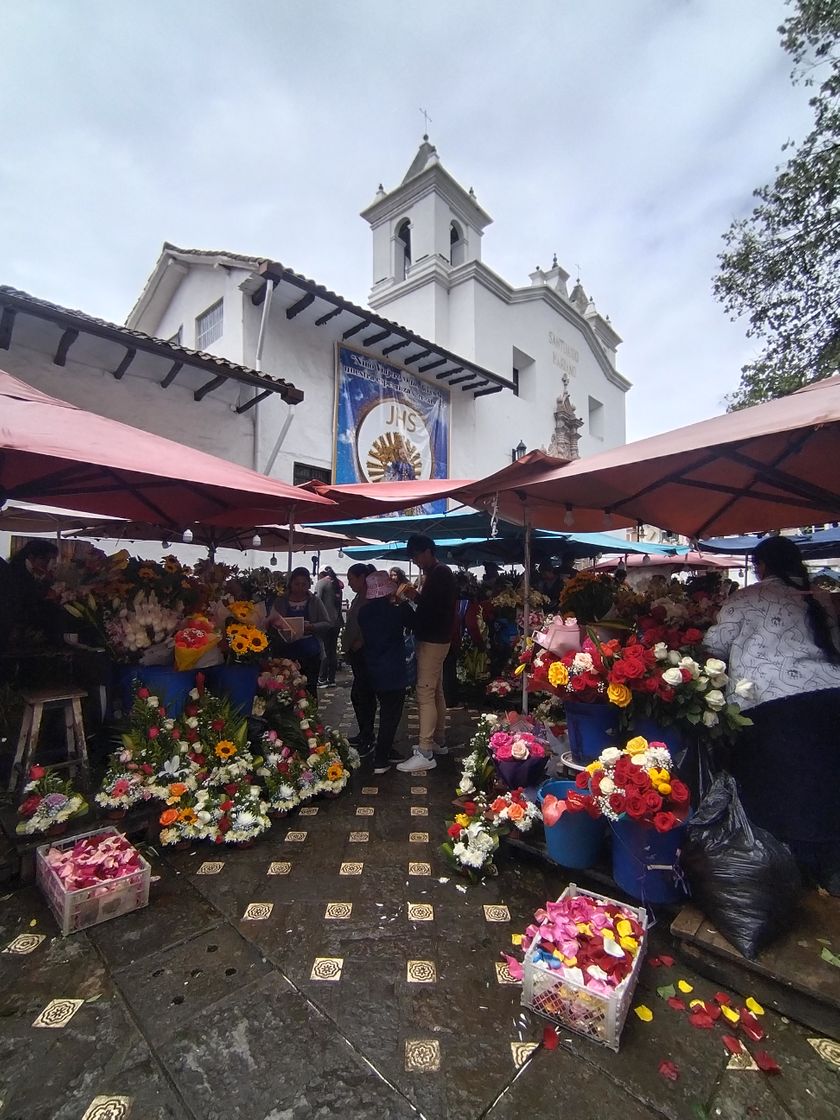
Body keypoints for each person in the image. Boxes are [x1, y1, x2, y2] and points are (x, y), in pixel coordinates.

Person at [704, 535, 840, 890]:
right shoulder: (820, 597)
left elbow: (714, 646)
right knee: (826, 781)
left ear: (761, 566)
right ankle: (828, 867)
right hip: (830, 697)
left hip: (773, 702)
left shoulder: (749, 597)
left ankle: (791, 868)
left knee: (780, 787)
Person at [396, 534, 456, 773]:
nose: (416, 560)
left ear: (429, 551)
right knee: (436, 690)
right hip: (439, 638)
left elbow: (428, 612)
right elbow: (432, 605)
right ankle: (437, 740)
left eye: (417, 555)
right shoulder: (439, 573)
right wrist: (416, 596)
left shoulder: (439, 574)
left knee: (425, 691)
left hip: (432, 639)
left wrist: (404, 604)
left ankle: (425, 751)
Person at [358, 570, 413, 774]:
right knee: (390, 715)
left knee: (378, 710)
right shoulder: (396, 611)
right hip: (393, 669)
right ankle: (381, 758)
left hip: (371, 668)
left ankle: (379, 748)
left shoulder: (363, 613)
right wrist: (403, 601)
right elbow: (414, 622)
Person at [268, 567, 333, 696]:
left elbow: (327, 623)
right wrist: (278, 625)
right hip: (285, 651)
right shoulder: (281, 601)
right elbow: (271, 621)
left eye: (304, 584)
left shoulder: (315, 601)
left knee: (309, 686)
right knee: (287, 687)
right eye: (297, 584)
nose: (300, 588)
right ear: (290, 584)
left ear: (309, 585)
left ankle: (311, 712)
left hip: (310, 651)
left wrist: (311, 626)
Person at [0, 540, 64, 657]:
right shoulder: (16, 573)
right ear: (31, 557)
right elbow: (22, 601)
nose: (48, 564)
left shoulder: (24, 570)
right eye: (45, 559)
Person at [342, 562, 376, 754]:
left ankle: (367, 735)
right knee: (359, 695)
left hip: (364, 653)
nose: (349, 584)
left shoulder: (370, 598)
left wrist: (360, 641)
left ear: (363, 577)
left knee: (363, 695)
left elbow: (368, 623)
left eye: (351, 579)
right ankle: (364, 732)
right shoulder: (359, 596)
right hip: (356, 653)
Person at [314, 566, 343, 686]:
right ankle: (331, 679)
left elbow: (316, 601)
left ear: (321, 573)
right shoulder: (337, 585)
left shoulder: (321, 583)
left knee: (323, 650)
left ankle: (321, 678)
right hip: (336, 622)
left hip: (324, 623)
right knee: (332, 650)